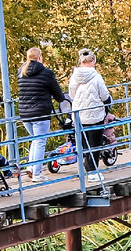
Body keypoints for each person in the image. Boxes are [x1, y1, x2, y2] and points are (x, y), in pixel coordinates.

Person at [17, 47, 71, 182]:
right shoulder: (46, 73)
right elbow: (58, 95)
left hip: (24, 114)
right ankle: (37, 173)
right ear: (40, 57)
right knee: (40, 141)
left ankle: (30, 167)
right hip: (40, 113)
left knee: (35, 139)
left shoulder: (21, 72)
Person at [67, 49, 112, 164]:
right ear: (92, 61)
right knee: (95, 144)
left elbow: (72, 95)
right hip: (95, 116)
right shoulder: (97, 77)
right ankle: (92, 171)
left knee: (84, 144)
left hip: (79, 116)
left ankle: (86, 169)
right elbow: (104, 95)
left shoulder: (74, 77)